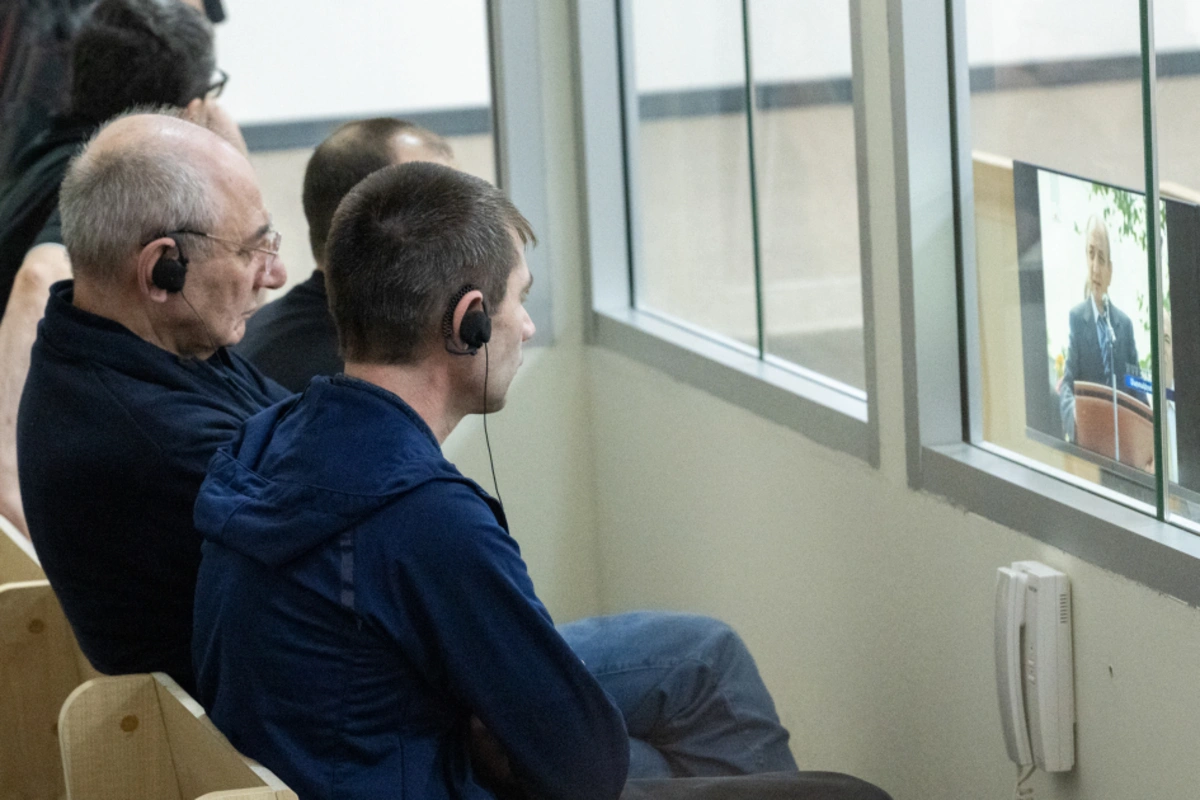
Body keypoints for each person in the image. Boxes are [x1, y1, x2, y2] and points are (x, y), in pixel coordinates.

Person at [192, 163, 808, 799]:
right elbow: (586, 770)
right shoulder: (425, 518)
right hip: (410, 776)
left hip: (333, 757)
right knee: (833, 789)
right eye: (520, 298)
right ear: (470, 322)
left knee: (703, 656)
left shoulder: (264, 438)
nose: (529, 327)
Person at [17, 112, 288, 693]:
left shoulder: (135, 338)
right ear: (163, 269)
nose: (276, 275)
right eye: (251, 249)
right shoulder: (156, 439)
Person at [0, 0, 241, 534]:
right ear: (188, 110)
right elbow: (40, 279)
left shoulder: (43, 151)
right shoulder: (102, 180)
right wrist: (8, 485)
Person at [237, 118, 455, 391]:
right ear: (366, 225)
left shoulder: (265, 335)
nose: (462, 230)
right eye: (439, 210)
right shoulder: (356, 378)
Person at [1059, 215, 1145, 442]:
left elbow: (1138, 392)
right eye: (1091, 254)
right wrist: (1074, 415)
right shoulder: (1077, 319)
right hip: (1089, 443)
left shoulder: (1124, 327)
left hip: (1122, 445)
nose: (1095, 268)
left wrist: (1148, 437)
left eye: (1102, 258)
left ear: (1110, 271)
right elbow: (1067, 385)